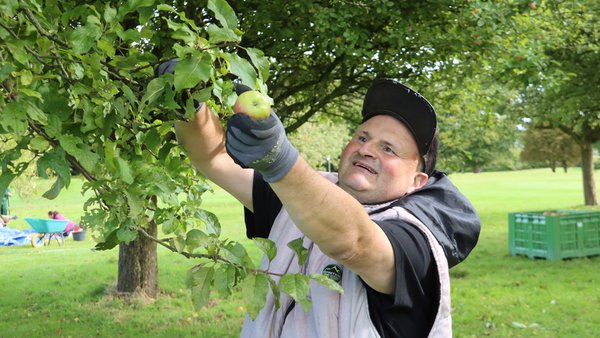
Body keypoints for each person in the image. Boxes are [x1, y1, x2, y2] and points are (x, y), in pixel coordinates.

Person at [172, 69, 480, 337]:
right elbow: (212, 157)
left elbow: (355, 242)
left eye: (388, 148)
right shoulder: (297, 193)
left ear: (417, 182)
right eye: (362, 137)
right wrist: (186, 98)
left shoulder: (415, 242)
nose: (367, 150)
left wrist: (279, 161)